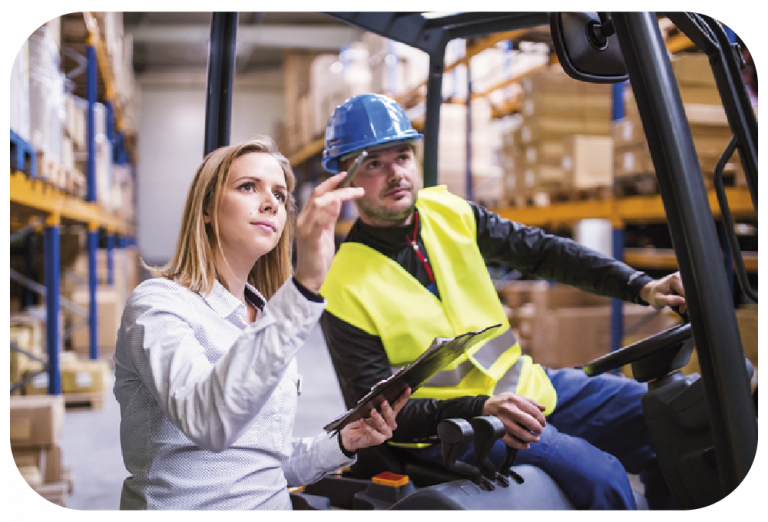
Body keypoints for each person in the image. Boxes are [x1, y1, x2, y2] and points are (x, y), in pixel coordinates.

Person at [318, 94, 687, 511]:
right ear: (345, 181)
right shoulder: (343, 285)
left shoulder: (450, 213)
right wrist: (480, 408)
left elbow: (543, 252)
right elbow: (378, 415)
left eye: (402, 156)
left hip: (527, 389)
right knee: (601, 476)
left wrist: (641, 286)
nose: (396, 174)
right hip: (456, 429)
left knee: (668, 417)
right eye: (373, 164)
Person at [113, 136, 411, 511]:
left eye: (280, 195)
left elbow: (262, 465)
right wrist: (303, 287)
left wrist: (342, 441)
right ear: (206, 209)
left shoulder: (266, 317)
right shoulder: (158, 305)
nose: (270, 203)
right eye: (248, 187)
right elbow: (209, 423)